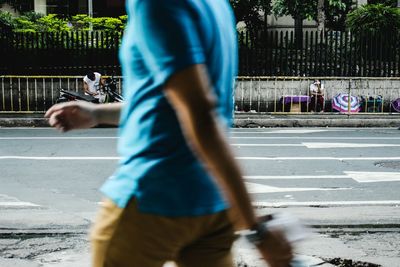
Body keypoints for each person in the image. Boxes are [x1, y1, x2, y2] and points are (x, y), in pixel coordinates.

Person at [45, 1, 293, 267]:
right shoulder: (216, 5)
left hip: (152, 197)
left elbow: (200, 115)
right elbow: (172, 103)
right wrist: (97, 114)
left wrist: (257, 229)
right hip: (212, 205)